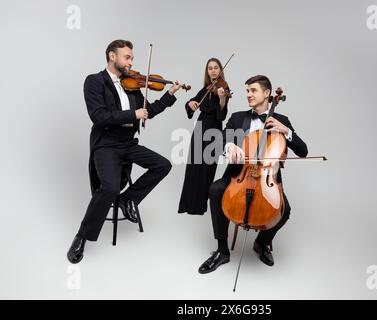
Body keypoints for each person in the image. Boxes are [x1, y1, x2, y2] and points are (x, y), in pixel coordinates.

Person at [67, 39, 185, 264]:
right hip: (106, 144)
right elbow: (99, 117)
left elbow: (147, 111)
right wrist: (133, 115)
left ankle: (128, 199)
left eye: (132, 57)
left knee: (163, 165)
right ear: (112, 56)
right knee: (109, 187)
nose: (131, 62)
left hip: (128, 143)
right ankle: (82, 236)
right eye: (127, 57)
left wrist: (170, 94)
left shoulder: (133, 85)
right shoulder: (94, 81)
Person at [198, 75, 308, 274]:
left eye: (253, 90)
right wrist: (229, 146)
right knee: (215, 190)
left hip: (268, 180)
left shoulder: (282, 121)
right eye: (247, 91)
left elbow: (303, 151)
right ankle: (222, 251)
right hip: (238, 176)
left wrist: (286, 131)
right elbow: (220, 140)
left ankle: (261, 243)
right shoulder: (238, 117)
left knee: (285, 210)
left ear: (267, 94)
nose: (248, 94)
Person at [177, 58, 230, 215]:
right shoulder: (206, 88)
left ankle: (199, 206)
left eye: (216, 67)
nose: (213, 70)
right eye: (210, 68)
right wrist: (190, 104)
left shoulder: (223, 88)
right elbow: (193, 102)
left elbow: (221, 115)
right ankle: (188, 205)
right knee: (194, 167)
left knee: (206, 169)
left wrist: (222, 98)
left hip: (213, 131)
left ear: (220, 70)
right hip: (200, 129)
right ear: (207, 71)